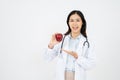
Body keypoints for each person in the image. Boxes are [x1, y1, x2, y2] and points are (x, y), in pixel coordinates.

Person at [43, 10, 96, 80]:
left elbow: (91, 64)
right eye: (71, 20)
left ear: (82, 22)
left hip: (78, 76)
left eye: (77, 20)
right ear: (68, 23)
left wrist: (77, 57)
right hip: (62, 75)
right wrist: (51, 45)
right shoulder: (62, 39)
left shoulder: (88, 42)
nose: (74, 23)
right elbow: (47, 58)